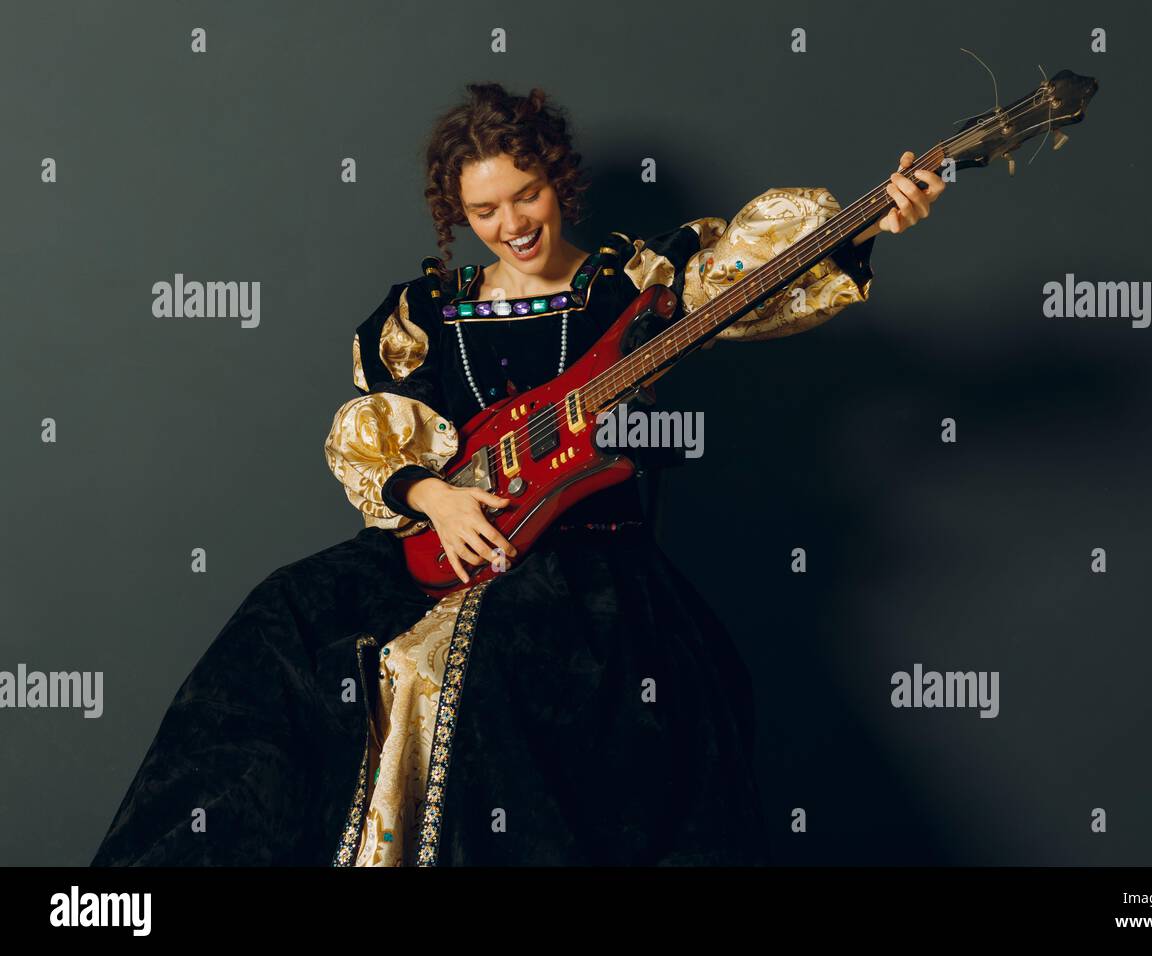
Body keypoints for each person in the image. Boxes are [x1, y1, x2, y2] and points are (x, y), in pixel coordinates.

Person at [90, 81, 944, 867]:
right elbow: (372, 431)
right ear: (457, 213)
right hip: (445, 539)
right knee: (281, 617)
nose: (514, 225)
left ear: (559, 181)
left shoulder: (631, 288)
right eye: (485, 209)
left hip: (589, 566)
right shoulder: (428, 312)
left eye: (526, 194)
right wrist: (433, 495)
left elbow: (749, 284)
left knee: (479, 670)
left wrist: (868, 224)